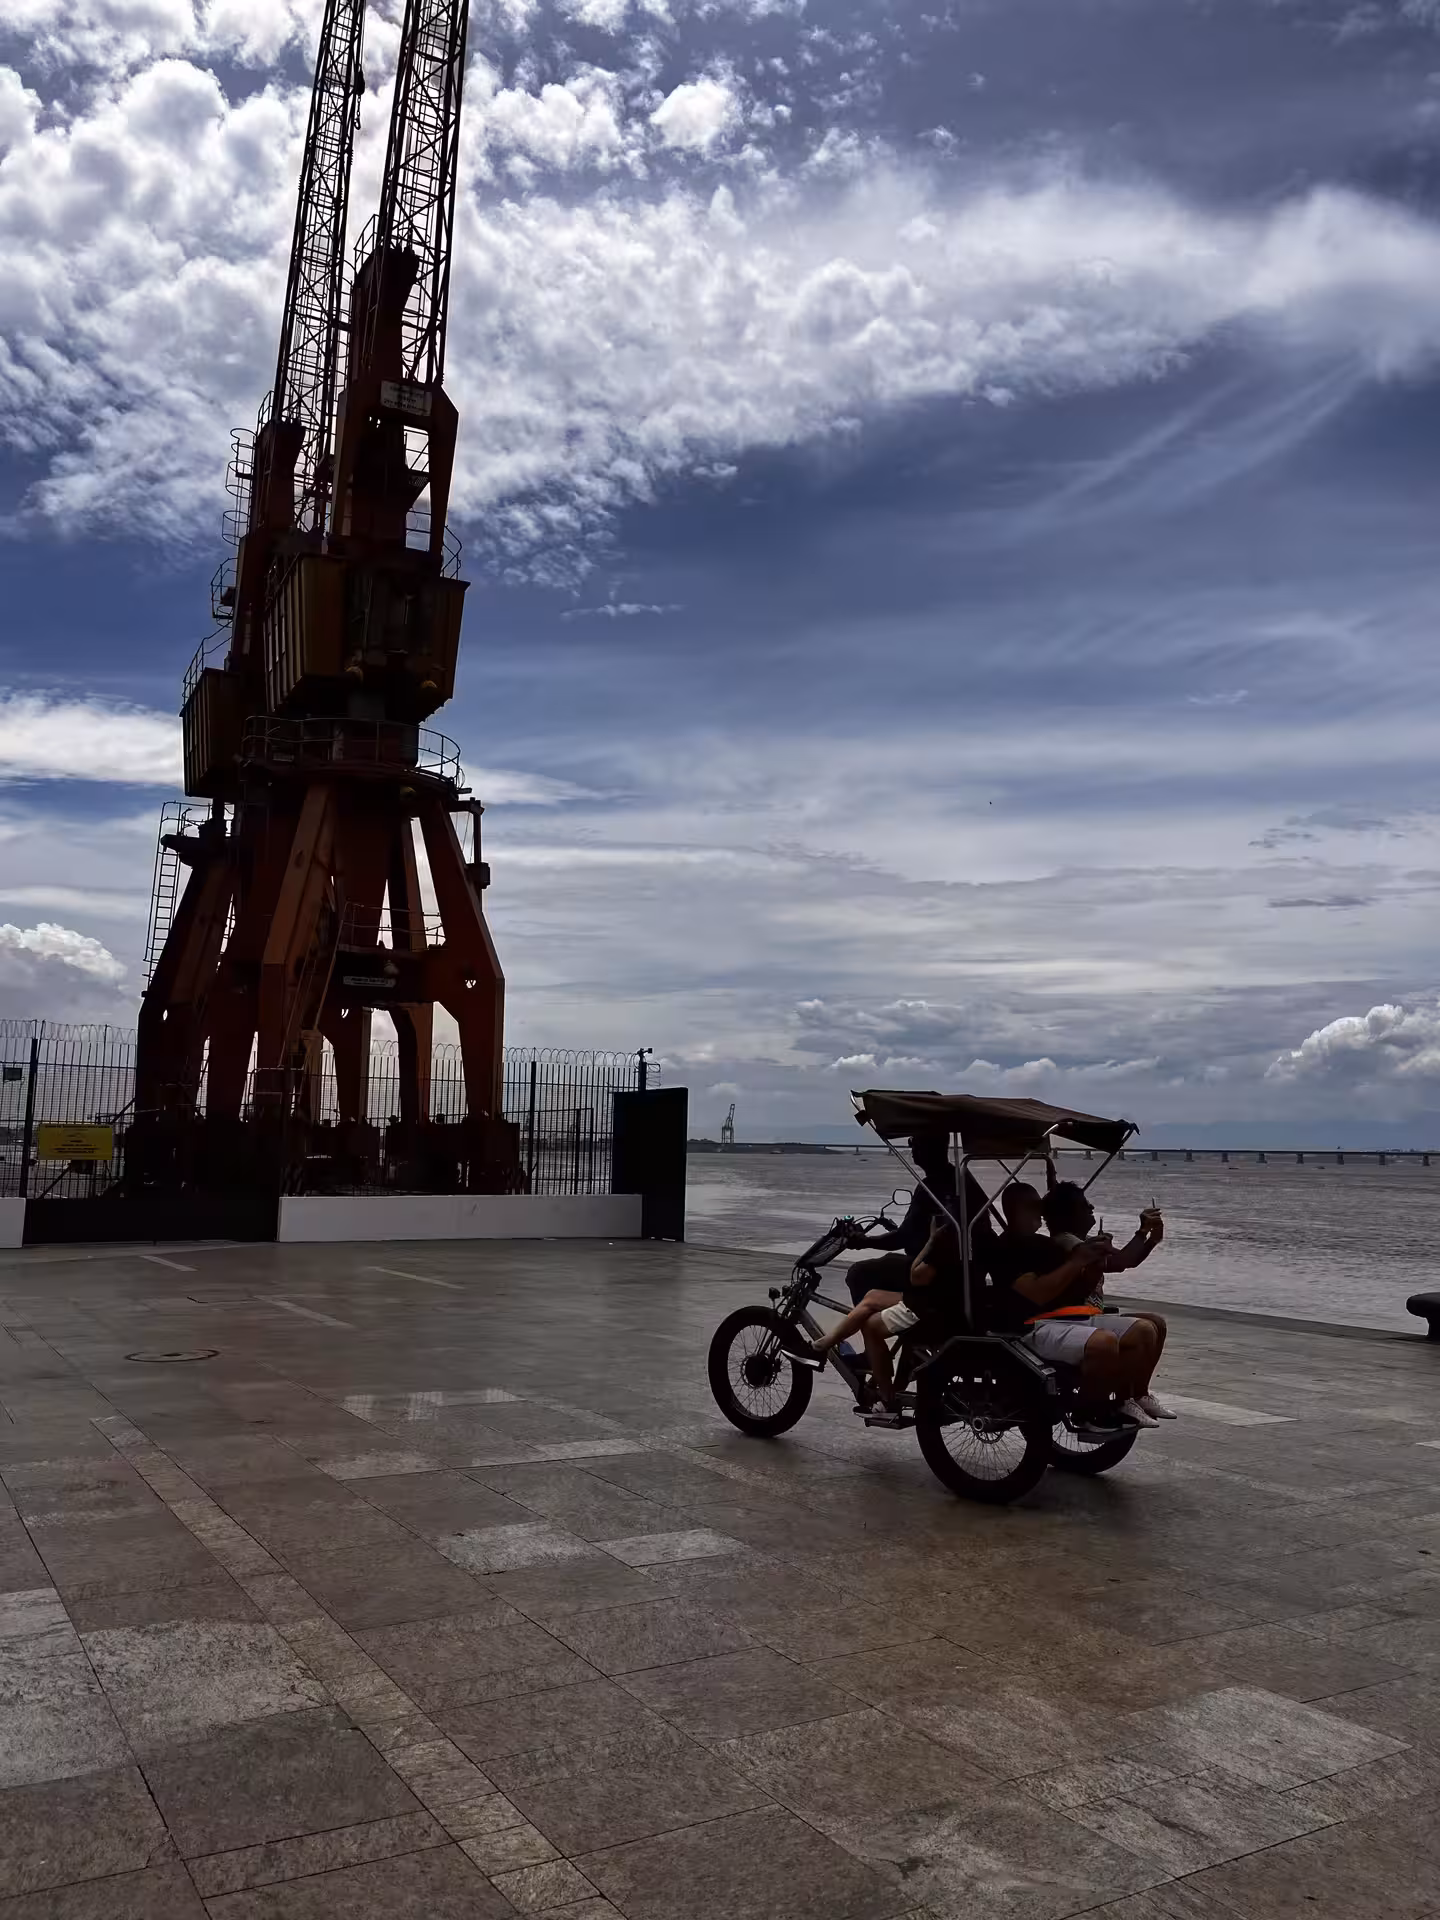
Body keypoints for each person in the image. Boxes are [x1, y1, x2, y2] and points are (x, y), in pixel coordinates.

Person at [986, 1182, 1167, 1428]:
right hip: (1029, 1325)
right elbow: (1036, 1294)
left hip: (1064, 1316)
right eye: (1034, 1206)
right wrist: (1078, 1261)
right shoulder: (1006, 1247)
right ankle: (1088, 1412)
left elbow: (1075, 1290)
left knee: (1145, 1330)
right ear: (1017, 1210)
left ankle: (1126, 1401)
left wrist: (1091, 1267)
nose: (1041, 1211)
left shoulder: (1043, 1243)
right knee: (1104, 1342)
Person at [1040, 1181, 1175, 1421]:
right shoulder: (1066, 1241)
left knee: (1158, 1324)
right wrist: (1142, 1232)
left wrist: (1150, 1239)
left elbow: (1122, 1261)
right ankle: (1123, 1400)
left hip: (1089, 1316)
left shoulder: (1079, 1240)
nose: (1091, 1207)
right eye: (1084, 1205)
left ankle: (1139, 1394)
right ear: (1069, 1214)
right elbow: (1122, 1261)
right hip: (1072, 1320)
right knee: (1145, 1329)